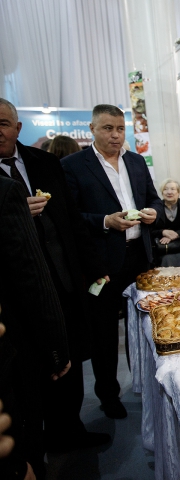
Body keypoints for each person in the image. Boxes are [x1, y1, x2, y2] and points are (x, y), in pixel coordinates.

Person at [0, 98, 110, 452]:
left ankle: (71, 430)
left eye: (3, 123)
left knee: (72, 358)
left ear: (18, 129)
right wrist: (15, 217)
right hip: (15, 294)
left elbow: (73, 222)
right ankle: (35, 444)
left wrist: (95, 270)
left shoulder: (44, 162)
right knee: (27, 370)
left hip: (63, 282)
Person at [61, 104, 162, 419]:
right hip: (100, 264)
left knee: (143, 326)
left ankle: (144, 384)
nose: (115, 135)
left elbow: (153, 198)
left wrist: (154, 212)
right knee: (103, 331)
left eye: (120, 128)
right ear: (92, 128)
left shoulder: (135, 161)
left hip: (139, 259)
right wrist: (105, 221)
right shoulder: (73, 166)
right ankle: (108, 396)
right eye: (108, 128)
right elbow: (70, 217)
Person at [0, 176, 71, 480]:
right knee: (23, 438)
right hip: (13, 345)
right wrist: (56, 349)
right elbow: (33, 276)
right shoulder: (5, 191)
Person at [151, 178, 180, 268]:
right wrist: (163, 232)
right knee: (167, 260)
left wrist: (176, 234)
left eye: (173, 189)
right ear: (162, 192)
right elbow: (150, 230)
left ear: (178, 192)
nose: (169, 192)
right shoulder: (156, 208)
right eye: (165, 189)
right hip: (164, 249)